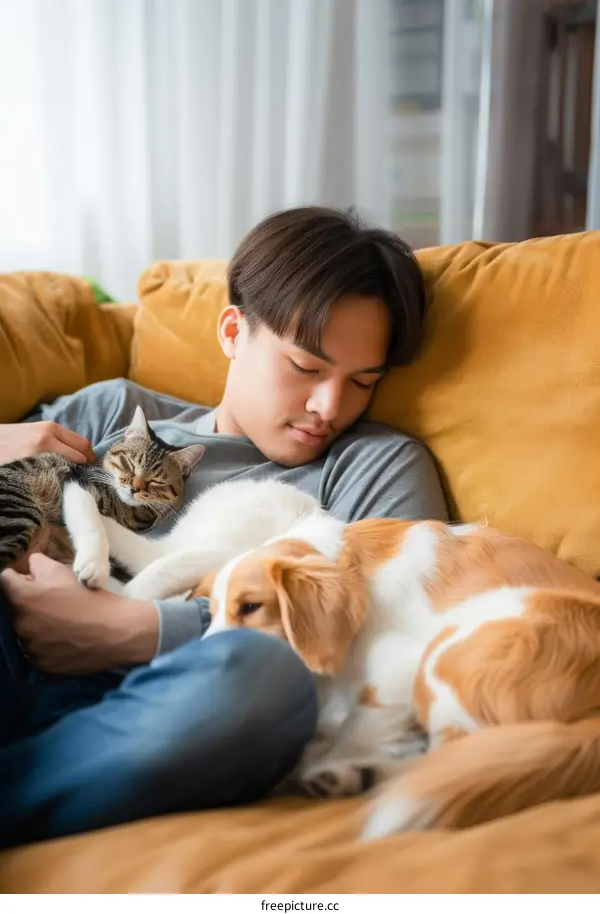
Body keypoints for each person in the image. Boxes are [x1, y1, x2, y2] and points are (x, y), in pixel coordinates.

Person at [0, 206, 449, 850]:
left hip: (187, 705)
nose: (329, 408)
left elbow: (377, 633)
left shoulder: (371, 465)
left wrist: (137, 632)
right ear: (234, 331)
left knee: (264, 677)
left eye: (362, 383)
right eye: (306, 368)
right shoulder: (110, 411)